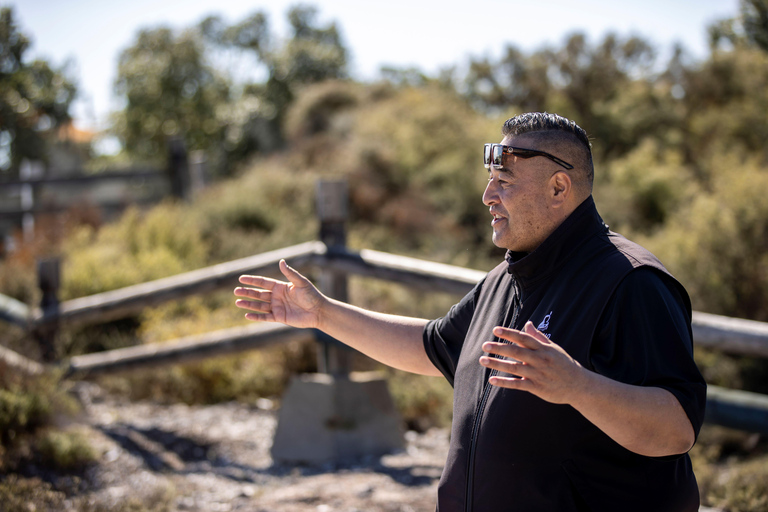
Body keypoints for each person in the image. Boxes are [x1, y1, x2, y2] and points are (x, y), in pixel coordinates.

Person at [234, 112, 706, 512]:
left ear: (559, 188)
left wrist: (576, 386)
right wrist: (323, 315)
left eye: (504, 182)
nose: (487, 197)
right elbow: (430, 346)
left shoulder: (632, 281)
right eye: (489, 182)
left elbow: (676, 429)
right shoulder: (505, 279)